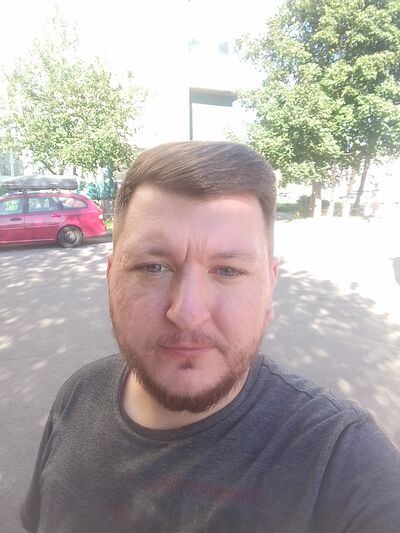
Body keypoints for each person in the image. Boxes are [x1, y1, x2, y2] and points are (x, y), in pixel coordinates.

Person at [21, 142, 400, 533]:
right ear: (111, 277)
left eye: (228, 271)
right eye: (153, 267)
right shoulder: (77, 395)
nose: (187, 313)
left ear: (270, 286)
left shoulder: (345, 464)